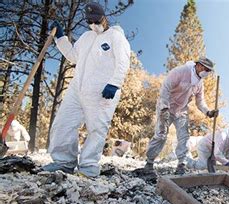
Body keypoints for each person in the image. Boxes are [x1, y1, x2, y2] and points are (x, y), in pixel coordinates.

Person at [42, 2, 131, 177]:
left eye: (96, 20)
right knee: (63, 123)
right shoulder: (86, 37)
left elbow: (123, 61)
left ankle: (88, 167)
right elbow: (73, 56)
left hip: (102, 91)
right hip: (77, 89)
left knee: (96, 128)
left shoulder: (116, 36)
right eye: (90, 21)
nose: (94, 24)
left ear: (104, 18)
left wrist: (114, 83)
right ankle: (63, 162)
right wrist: (60, 37)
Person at [143, 57, 218, 175]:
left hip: (181, 110)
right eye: (206, 69)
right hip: (166, 106)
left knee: (184, 137)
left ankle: (181, 164)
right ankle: (149, 163)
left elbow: (200, 101)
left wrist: (208, 112)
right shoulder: (180, 71)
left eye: (209, 71)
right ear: (198, 65)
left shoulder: (199, 84)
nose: (207, 73)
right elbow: (165, 88)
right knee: (161, 135)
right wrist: (164, 108)